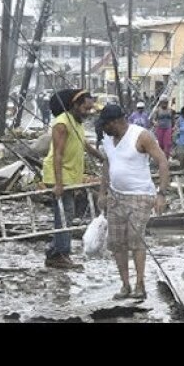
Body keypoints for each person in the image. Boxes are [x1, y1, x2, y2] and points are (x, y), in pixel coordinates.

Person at [97, 104, 169, 301]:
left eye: (106, 125)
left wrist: (161, 194)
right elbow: (107, 164)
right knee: (117, 243)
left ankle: (140, 285)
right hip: (115, 196)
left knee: (135, 240)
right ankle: (125, 285)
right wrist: (102, 192)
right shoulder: (108, 140)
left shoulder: (141, 135)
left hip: (140, 195)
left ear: (115, 122)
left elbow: (162, 161)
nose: (104, 129)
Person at [42, 88, 104, 269]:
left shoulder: (77, 123)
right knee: (64, 214)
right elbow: (58, 154)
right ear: (75, 105)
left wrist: (102, 157)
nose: (88, 112)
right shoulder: (62, 123)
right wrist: (58, 183)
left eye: (90, 109)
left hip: (70, 175)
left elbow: (84, 144)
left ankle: (55, 250)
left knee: (67, 214)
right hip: (59, 174)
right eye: (85, 108)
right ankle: (59, 254)